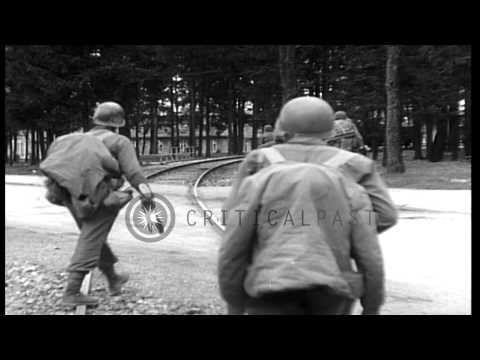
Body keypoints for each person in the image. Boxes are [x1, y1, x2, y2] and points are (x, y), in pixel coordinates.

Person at [219, 96, 390, 315]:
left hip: (269, 283)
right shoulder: (355, 167)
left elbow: (232, 230)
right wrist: (335, 233)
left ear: (282, 127)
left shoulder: (259, 162)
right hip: (332, 288)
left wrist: (234, 303)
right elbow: (382, 223)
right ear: (330, 131)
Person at [225, 99, 397, 235]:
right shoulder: (358, 163)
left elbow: (232, 216)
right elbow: (386, 216)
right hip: (334, 265)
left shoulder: (258, 159)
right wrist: (347, 234)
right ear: (329, 128)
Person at [59, 102, 153, 306]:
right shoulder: (119, 141)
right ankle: (72, 292)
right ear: (117, 123)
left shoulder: (80, 138)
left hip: (71, 195)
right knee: (91, 238)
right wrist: (147, 193)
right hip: (98, 198)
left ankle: (113, 279)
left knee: (95, 236)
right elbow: (133, 172)